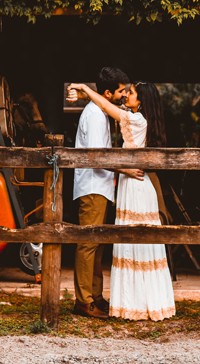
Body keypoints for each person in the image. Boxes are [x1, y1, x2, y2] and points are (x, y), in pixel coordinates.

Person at [68, 81, 176, 321]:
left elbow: (107, 107)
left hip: (135, 185)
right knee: (131, 243)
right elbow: (110, 107)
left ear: (142, 100)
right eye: (125, 91)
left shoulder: (137, 120)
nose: (127, 95)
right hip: (130, 183)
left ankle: (136, 302)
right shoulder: (136, 117)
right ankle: (135, 301)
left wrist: (86, 91)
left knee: (134, 242)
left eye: (132, 93)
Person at [71, 67, 143, 320]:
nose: (124, 96)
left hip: (101, 185)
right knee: (88, 244)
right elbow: (96, 156)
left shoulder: (102, 112)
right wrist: (125, 170)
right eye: (122, 91)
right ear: (108, 92)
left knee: (97, 244)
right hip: (92, 185)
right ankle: (83, 300)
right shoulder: (93, 115)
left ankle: (95, 296)